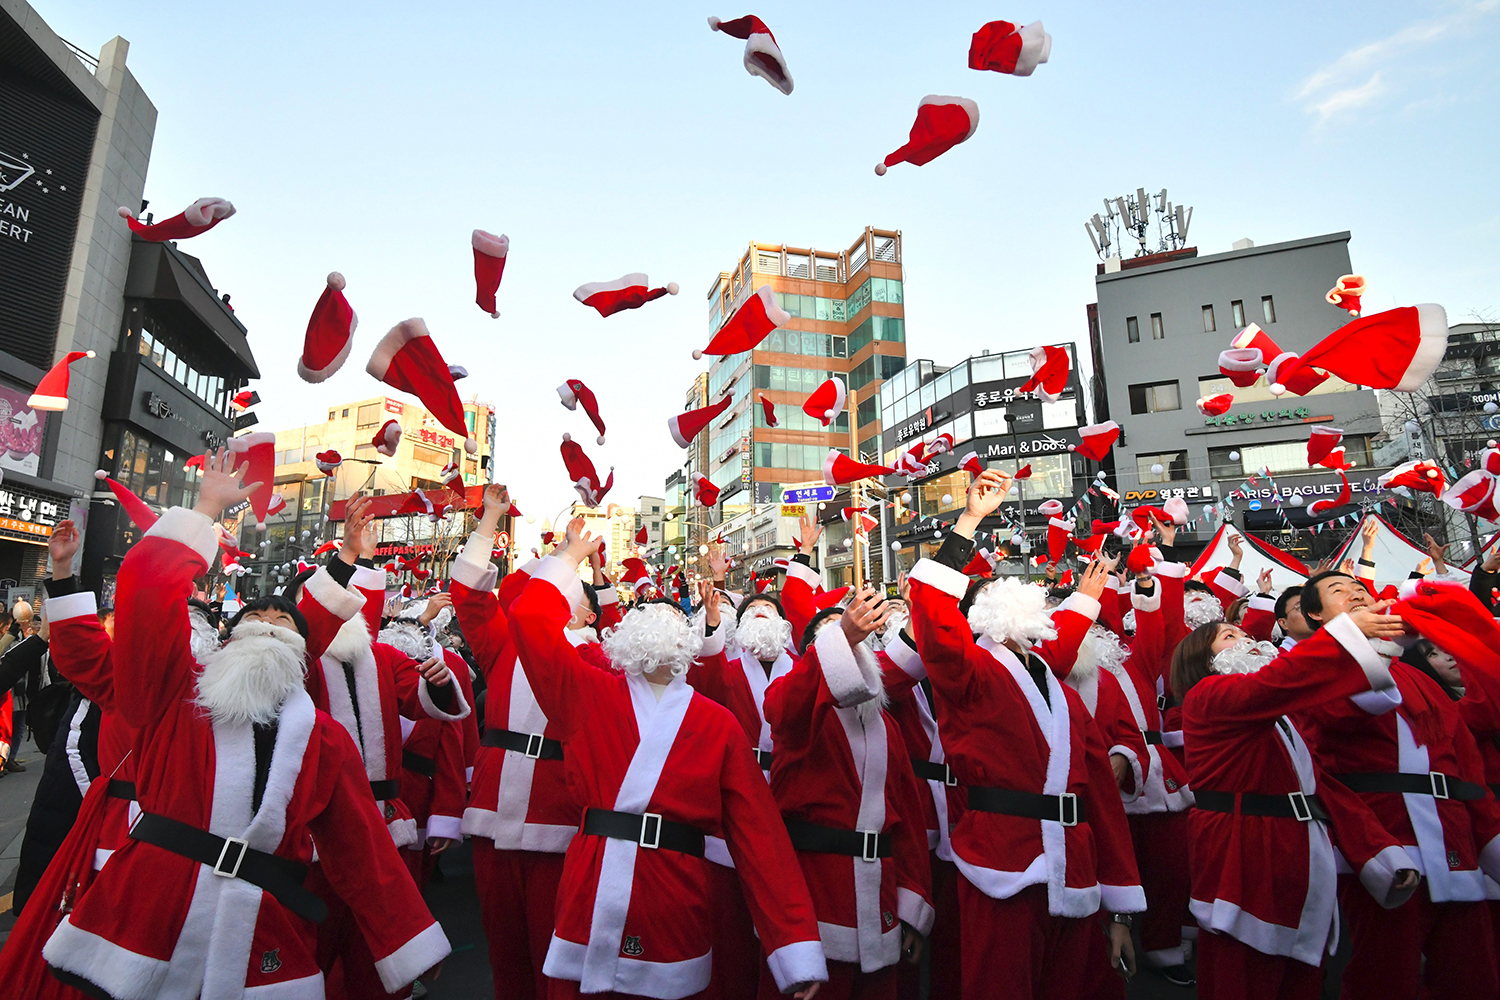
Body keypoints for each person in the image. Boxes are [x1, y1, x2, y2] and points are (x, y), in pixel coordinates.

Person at [41, 447, 450, 998]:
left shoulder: (322, 739)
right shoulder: (177, 695)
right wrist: (204, 510)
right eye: (254, 617)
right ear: (226, 644)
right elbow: (145, 594)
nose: (268, 622)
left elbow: (363, 848)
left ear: (303, 653)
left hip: (263, 923)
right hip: (150, 912)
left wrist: (409, 940)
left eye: (283, 621)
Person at [509, 517, 829, 999]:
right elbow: (529, 621)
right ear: (624, 635)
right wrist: (570, 556)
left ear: (691, 641)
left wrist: (793, 943)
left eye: (672, 616)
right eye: (648, 614)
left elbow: (760, 836)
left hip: (675, 900)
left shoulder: (717, 723)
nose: (660, 620)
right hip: (590, 891)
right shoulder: (588, 693)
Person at [906, 469, 1144, 999]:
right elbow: (935, 620)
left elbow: (1101, 799)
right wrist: (970, 520)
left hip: (1077, 866)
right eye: (995, 590)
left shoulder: (1059, 692)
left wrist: (1121, 909)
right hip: (1001, 863)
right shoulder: (968, 673)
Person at [1172, 615, 1419, 1000]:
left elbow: (1325, 791)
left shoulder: (1282, 719)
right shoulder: (1208, 694)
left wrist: (1380, 853)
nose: (1248, 640)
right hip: (1245, 863)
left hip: (1300, 867)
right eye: (1229, 636)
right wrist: (1344, 634)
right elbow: (1277, 682)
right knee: (1241, 979)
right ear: (1203, 660)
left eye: (1247, 633)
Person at [1296, 570, 1500, 1000]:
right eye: (1338, 591)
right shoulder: (1311, 668)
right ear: (1315, 614)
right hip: (1385, 840)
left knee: (1474, 977)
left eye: (1359, 587)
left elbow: (1464, 757)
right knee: (1384, 978)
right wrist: (1371, 849)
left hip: (1453, 839)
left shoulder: (1418, 677)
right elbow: (1343, 714)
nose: (1355, 593)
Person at [447, 485, 597, 1000]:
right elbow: (469, 598)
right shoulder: (504, 644)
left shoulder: (597, 659)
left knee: (556, 960)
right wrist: (490, 518)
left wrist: (574, 560)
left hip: (559, 817)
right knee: (505, 954)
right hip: (493, 813)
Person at [759, 585, 933, 998]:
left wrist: (913, 901)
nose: (851, 643)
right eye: (835, 639)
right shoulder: (795, 712)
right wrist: (842, 636)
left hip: (881, 899)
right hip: (817, 896)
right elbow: (784, 706)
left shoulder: (887, 727)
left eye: (857, 637)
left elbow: (907, 818)